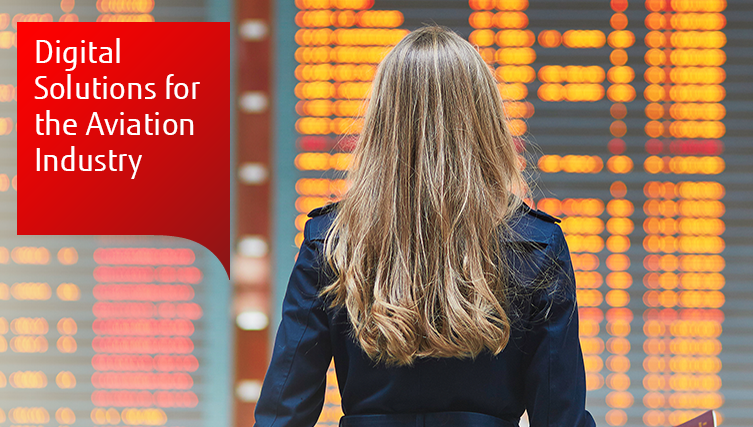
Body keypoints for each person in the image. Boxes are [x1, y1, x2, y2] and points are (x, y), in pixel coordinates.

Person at [253, 26, 596, 427]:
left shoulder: (331, 241)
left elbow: (283, 414)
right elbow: (561, 417)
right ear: (485, 119)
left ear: (382, 121)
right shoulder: (536, 245)